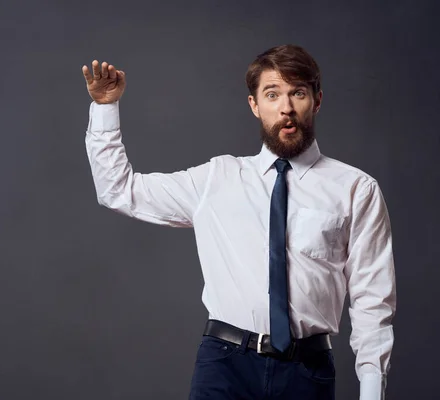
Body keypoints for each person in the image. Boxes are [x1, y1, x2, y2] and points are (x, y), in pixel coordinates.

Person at [81, 44, 396, 400]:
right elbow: (118, 190)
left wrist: (372, 393)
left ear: (317, 101)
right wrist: (105, 108)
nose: (286, 107)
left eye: (298, 93)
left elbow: (373, 302)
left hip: (307, 372)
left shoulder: (356, 189)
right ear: (255, 105)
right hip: (225, 366)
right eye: (272, 94)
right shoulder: (217, 179)